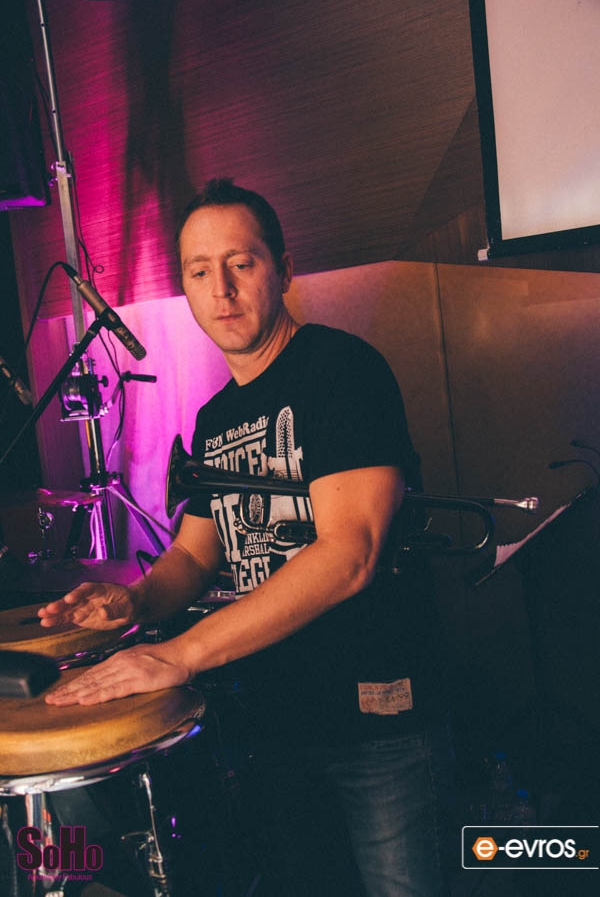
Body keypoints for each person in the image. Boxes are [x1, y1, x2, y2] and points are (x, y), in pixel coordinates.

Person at [39, 178, 453, 896]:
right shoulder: (214, 420)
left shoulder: (341, 370)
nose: (221, 289)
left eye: (241, 263)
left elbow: (350, 552)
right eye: (200, 271)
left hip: (377, 725)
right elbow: (194, 554)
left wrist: (176, 655)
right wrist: (133, 602)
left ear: (283, 270)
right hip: (276, 722)